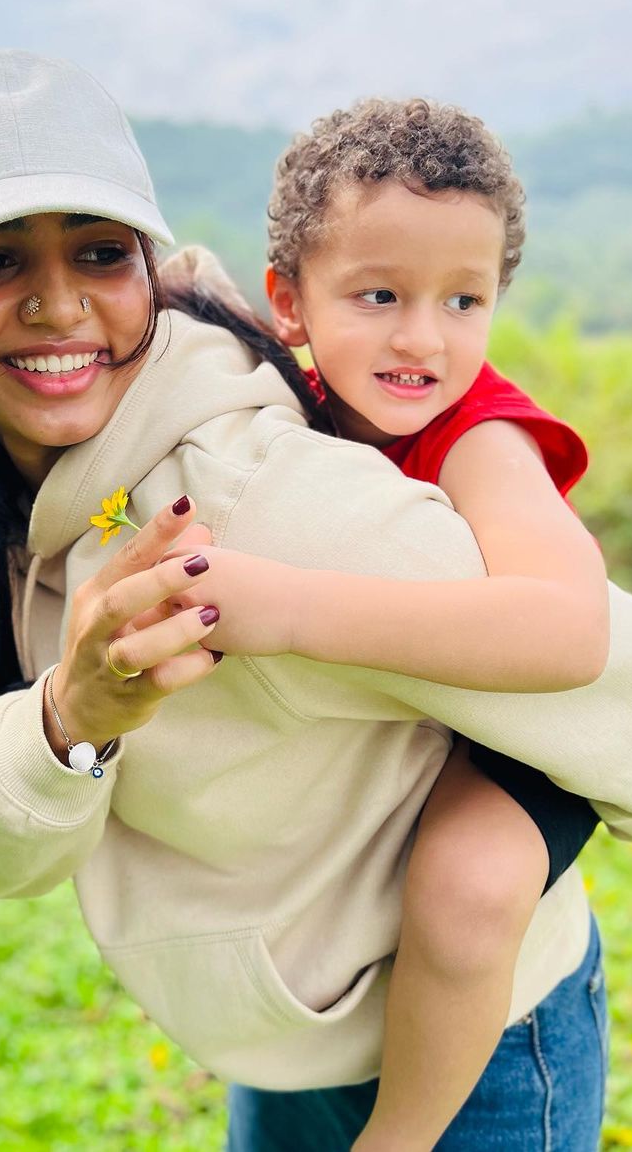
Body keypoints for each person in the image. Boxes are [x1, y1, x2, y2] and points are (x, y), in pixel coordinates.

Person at [0, 50, 632, 1152]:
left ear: (145, 262)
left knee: (472, 881)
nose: (56, 301)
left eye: (97, 252)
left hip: (481, 1054)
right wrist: (68, 720)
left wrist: (288, 612)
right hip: (284, 1039)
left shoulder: (256, 499)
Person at [154, 99, 607, 1149]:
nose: (422, 336)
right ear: (291, 304)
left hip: (512, 724)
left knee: (467, 883)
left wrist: (288, 606)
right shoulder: (283, 403)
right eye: (378, 294)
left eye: (464, 299)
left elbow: (572, 632)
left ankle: (398, 1134)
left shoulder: (481, 436)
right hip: (323, 975)